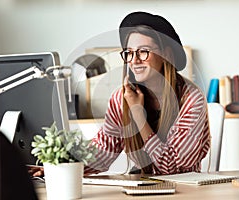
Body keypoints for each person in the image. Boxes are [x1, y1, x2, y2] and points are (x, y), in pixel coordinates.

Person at [84, 11, 210, 175]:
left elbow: (170, 167)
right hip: (142, 186)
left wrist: (138, 113)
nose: (134, 61)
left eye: (143, 51)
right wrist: (60, 166)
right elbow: (104, 150)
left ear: (166, 54)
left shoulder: (191, 99)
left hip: (184, 189)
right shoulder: (121, 98)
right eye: (129, 53)